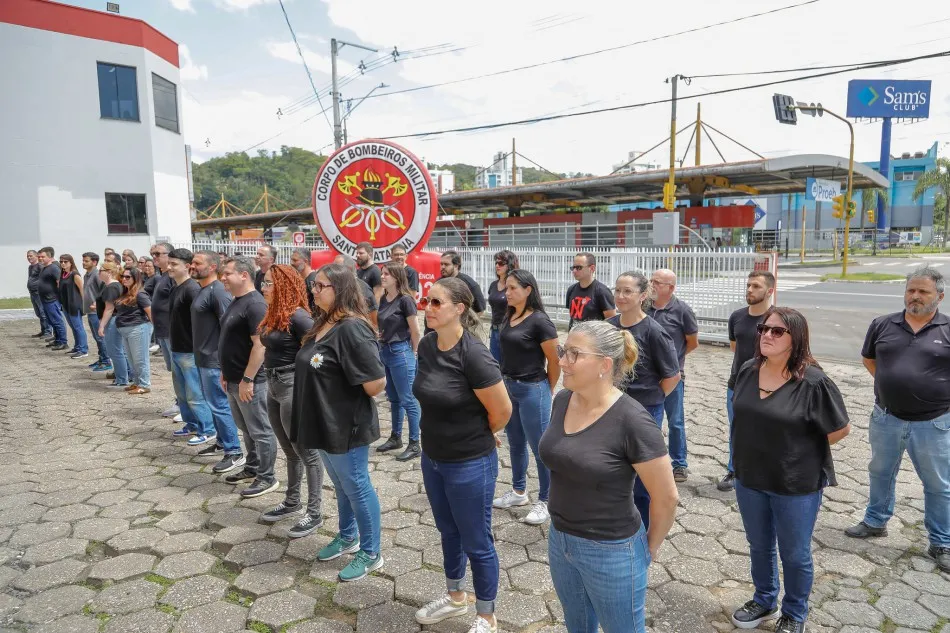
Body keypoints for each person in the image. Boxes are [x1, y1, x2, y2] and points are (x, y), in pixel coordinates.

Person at [540, 321, 678, 633]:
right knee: (577, 626)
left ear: (604, 364)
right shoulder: (562, 400)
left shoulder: (633, 421)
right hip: (561, 539)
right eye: (563, 351)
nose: (561, 361)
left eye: (574, 354)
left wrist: (648, 549)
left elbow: (667, 497)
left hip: (611, 550)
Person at [730, 307, 850, 632]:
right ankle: (765, 598)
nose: (767, 335)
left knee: (794, 554)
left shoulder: (813, 382)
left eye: (777, 331)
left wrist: (797, 451)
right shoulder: (747, 369)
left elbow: (839, 429)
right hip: (750, 477)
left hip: (795, 484)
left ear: (795, 338)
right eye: (763, 329)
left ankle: (794, 613)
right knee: (759, 545)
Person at [412, 277, 512, 633]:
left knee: (477, 540)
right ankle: (455, 598)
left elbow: (502, 411)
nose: (428, 308)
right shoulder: (426, 345)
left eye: (437, 303)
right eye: (427, 301)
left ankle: (486, 615)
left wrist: (481, 435)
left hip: (469, 463)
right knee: (447, 531)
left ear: (459, 309)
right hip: (433, 457)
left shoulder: (474, 354)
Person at [845, 266, 950, 573]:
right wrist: (892, 384)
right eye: (910, 290)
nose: (914, 296)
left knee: (938, 484)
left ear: (939, 296)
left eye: (923, 292)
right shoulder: (882, 324)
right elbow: (869, 358)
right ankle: (876, 521)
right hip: (886, 418)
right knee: (880, 472)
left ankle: (941, 542)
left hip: (933, 423)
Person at [291, 263, 386, 582]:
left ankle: (371, 552)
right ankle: (348, 536)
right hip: (323, 421)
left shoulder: (352, 328)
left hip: (346, 424)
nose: (313, 291)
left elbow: (375, 384)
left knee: (356, 484)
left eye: (320, 286)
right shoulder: (323, 322)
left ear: (341, 290)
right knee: (342, 484)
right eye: (313, 286)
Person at [608, 271, 680, 530]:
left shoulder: (654, 331)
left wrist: (651, 398)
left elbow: (672, 376)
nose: (621, 296)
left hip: (644, 411)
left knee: (642, 479)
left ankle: (642, 531)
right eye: (617, 290)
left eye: (627, 291)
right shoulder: (610, 327)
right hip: (610, 408)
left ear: (642, 296)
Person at [258, 264, 325, 538]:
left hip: (291, 385)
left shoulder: (298, 317)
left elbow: (320, 354)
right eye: (263, 282)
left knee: (306, 451)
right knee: (289, 450)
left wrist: (310, 386)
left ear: (284, 286)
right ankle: (292, 501)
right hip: (272, 384)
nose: (263, 287)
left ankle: (315, 511)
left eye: (269, 283)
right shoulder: (275, 314)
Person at [492, 270, 559, 526]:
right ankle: (519, 492)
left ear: (528, 290)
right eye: (506, 288)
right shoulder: (510, 315)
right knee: (516, 443)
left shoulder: (540, 321)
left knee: (540, 447)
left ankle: (547, 499)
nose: (506, 293)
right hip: (510, 387)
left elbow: (554, 360)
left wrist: (546, 389)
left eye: (512, 288)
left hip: (532, 387)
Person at [218, 256, 279, 499]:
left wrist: (247, 379)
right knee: (246, 428)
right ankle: (252, 467)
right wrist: (227, 372)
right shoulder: (237, 301)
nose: (223, 277)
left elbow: (260, 346)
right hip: (234, 379)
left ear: (244, 275)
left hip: (250, 381)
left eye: (228, 273)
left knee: (261, 430)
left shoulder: (255, 304)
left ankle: (267, 477)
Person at [190, 251, 246, 474]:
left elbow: (229, 328)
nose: (192, 266)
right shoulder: (203, 289)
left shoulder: (219, 292)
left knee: (221, 406)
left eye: (197, 263)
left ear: (212, 267)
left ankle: (234, 452)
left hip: (214, 360)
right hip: (203, 358)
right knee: (213, 404)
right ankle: (223, 442)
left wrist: (224, 362)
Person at [719, 270, 775, 492]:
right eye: (749, 285)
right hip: (738, 384)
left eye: (756, 286)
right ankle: (735, 470)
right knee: (737, 429)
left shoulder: (776, 319)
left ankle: (766, 471)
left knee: (767, 430)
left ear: (769, 291)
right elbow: (735, 347)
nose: (750, 290)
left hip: (769, 385)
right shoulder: (737, 317)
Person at [648, 268, 699, 482]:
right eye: (651, 280)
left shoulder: (682, 311)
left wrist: (673, 360)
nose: (652, 285)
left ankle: (679, 464)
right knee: (650, 421)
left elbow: (692, 342)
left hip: (673, 376)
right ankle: (650, 461)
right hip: (648, 376)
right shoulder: (644, 308)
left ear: (671, 288)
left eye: (657, 282)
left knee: (675, 421)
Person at [166, 249, 217, 447]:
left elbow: (201, 322)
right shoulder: (176, 287)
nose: (169, 267)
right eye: (169, 263)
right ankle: (192, 423)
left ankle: (207, 429)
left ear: (187, 266)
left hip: (190, 351)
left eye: (174, 264)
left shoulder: (191, 289)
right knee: (182, 394)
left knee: (195, 393)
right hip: (177, 349)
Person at [375, 263, 423, 461]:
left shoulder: (405, 300)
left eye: (386, 274)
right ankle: (396, 437)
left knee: (408, 399)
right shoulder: (385, 299)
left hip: (401, 352)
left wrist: (414, 352)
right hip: (385, 351)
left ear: (396, 277)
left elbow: (416, 330)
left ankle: (415, 443)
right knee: (394, 398)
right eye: (382, 273)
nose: (383, 277)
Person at [148, 243, 178, 418]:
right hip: (162, 331)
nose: (154, 257)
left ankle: (184, 404)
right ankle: (179, 401)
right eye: (152, 254)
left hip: (172, 332)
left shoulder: (173, 278)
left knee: (179, 370)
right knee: (173, 370)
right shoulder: (162, 276)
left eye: (158, 254)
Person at [114, 267, 153, 395]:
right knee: (131, 359)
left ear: (135, 279)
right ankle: (136, 382)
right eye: (123, 277)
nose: (124, 279)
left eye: (127, 277)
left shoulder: (140, 294)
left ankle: (144, 384)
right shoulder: (125, 292)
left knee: (140, 358)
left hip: (138, 328)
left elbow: (150, 312)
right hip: (125, 330)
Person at [97, 262, 132, 387]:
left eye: (101, 270)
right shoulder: (115, 285)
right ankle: (128, 375)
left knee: (114, 351)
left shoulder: (112, 287)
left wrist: (101, 325)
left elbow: (109, 309)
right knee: (120, 350)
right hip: (116, 319)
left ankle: (122, 379)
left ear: (109, 272)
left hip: (112, 320)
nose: (99, 272)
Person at [565, 252, 616, 330]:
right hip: (574, 338)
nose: (574, 271)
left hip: (594, 340)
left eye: (578, 267)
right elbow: (573, 318)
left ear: (592, 268)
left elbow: (611, 323)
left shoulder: (602, 291)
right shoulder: (571, 289)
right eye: (573, 267)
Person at [487, 249, 518, 363]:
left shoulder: (515, 285)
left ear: (509, 265)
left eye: (501, 263)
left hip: (509, 329)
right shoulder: (493, 285)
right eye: (496, 262)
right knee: (494, 365)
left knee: (509, 363)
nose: (497, 266)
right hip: (494, 329)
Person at [334, 254, 379, 329]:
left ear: (348, 269)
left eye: (336, 267)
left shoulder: (362, 288)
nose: (332, 270)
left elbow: (374, 318)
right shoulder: (337, 286)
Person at [82, 252, 110, 371]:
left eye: (86, 261)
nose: (83, 263)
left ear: (94, 262)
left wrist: (98, 303)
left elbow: (105, 289)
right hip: (90, 311)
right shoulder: (87, 275)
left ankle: (106, 361)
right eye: (83, 260)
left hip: (96, 312)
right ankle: (101, 358)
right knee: (95, 336)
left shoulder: (97, 275)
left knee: (100, 337)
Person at [57, 254, 89, 359]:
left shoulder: (75, 275)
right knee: (73, 327)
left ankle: (83, 349)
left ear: (71, 262)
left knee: (78, 327)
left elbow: (82, 291)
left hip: (74, 305)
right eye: (61, 261)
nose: (62, 263)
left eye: (65, 262)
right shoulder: (63, 274)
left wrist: (85, 306)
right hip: (65, 305)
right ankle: (77, 346)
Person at [37, 247, 68, 351]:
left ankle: (63, 342)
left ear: (50, 257)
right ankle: (57, 340)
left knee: (57, 320)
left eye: (43, 257)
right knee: (52, 321)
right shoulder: (44, 267)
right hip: (45, 299)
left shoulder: (54, 268)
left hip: (52, 299)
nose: (40, 258)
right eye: (39, 257)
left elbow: (60, 282)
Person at [27, 250, 50, 338]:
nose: (29, 258)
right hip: (32, 292)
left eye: (31, 256)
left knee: (43, 312)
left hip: (39, 293)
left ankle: (47, 332)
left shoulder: (40, 266)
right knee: (38, 313)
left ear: (36, 256)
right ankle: (43, 330)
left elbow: (45, 278)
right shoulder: (30, 267)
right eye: (28, 256)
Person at [290, 248, 318, 313]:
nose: (291, 263)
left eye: (295, 260)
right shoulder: (299, 278)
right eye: (291, 260)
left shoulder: (313, 279)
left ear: (305, 261)